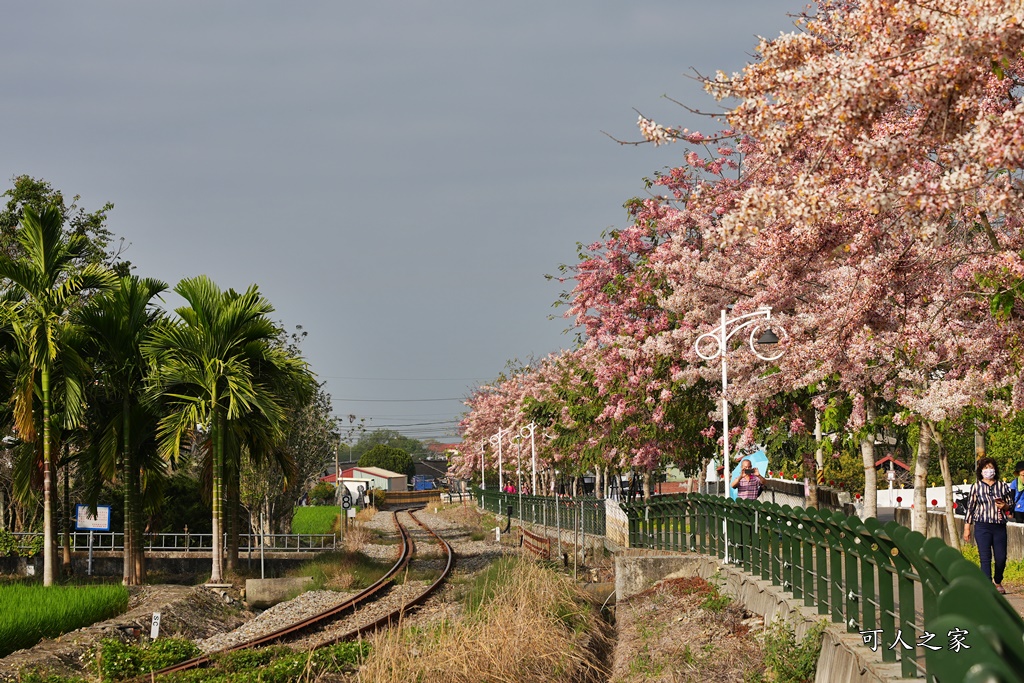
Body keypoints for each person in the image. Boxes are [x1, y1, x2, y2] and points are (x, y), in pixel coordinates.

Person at [963, 457, 1013, 594]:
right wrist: (967, 528)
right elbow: (970, 508)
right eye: (985, 468)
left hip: (999, 526)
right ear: (980, 471)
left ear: (995, 470)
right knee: (985, 557)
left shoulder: (1002, 486)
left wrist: (1005, 506)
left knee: (1001, 557)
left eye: (990, 467)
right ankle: (987, 584)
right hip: (982, 525)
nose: (988, 470)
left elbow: (1011, 505)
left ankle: (997, 580)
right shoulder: (976, 487)